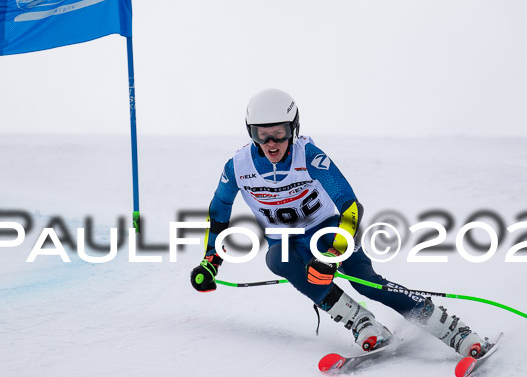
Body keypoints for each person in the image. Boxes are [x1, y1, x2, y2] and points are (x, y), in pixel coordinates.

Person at [190, 88, 490, 357]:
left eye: (279, 133)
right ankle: (362, 323)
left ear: (293, 128)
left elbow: (350, 206)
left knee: (368, 285)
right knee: (277, 258)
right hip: (286, 242)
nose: (271, 143)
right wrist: (210, 262)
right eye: (261, 134)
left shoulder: (309, 156)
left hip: (327, 231)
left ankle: (453, 330)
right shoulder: (238, 167)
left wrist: (333, 255)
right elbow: (219, 212)